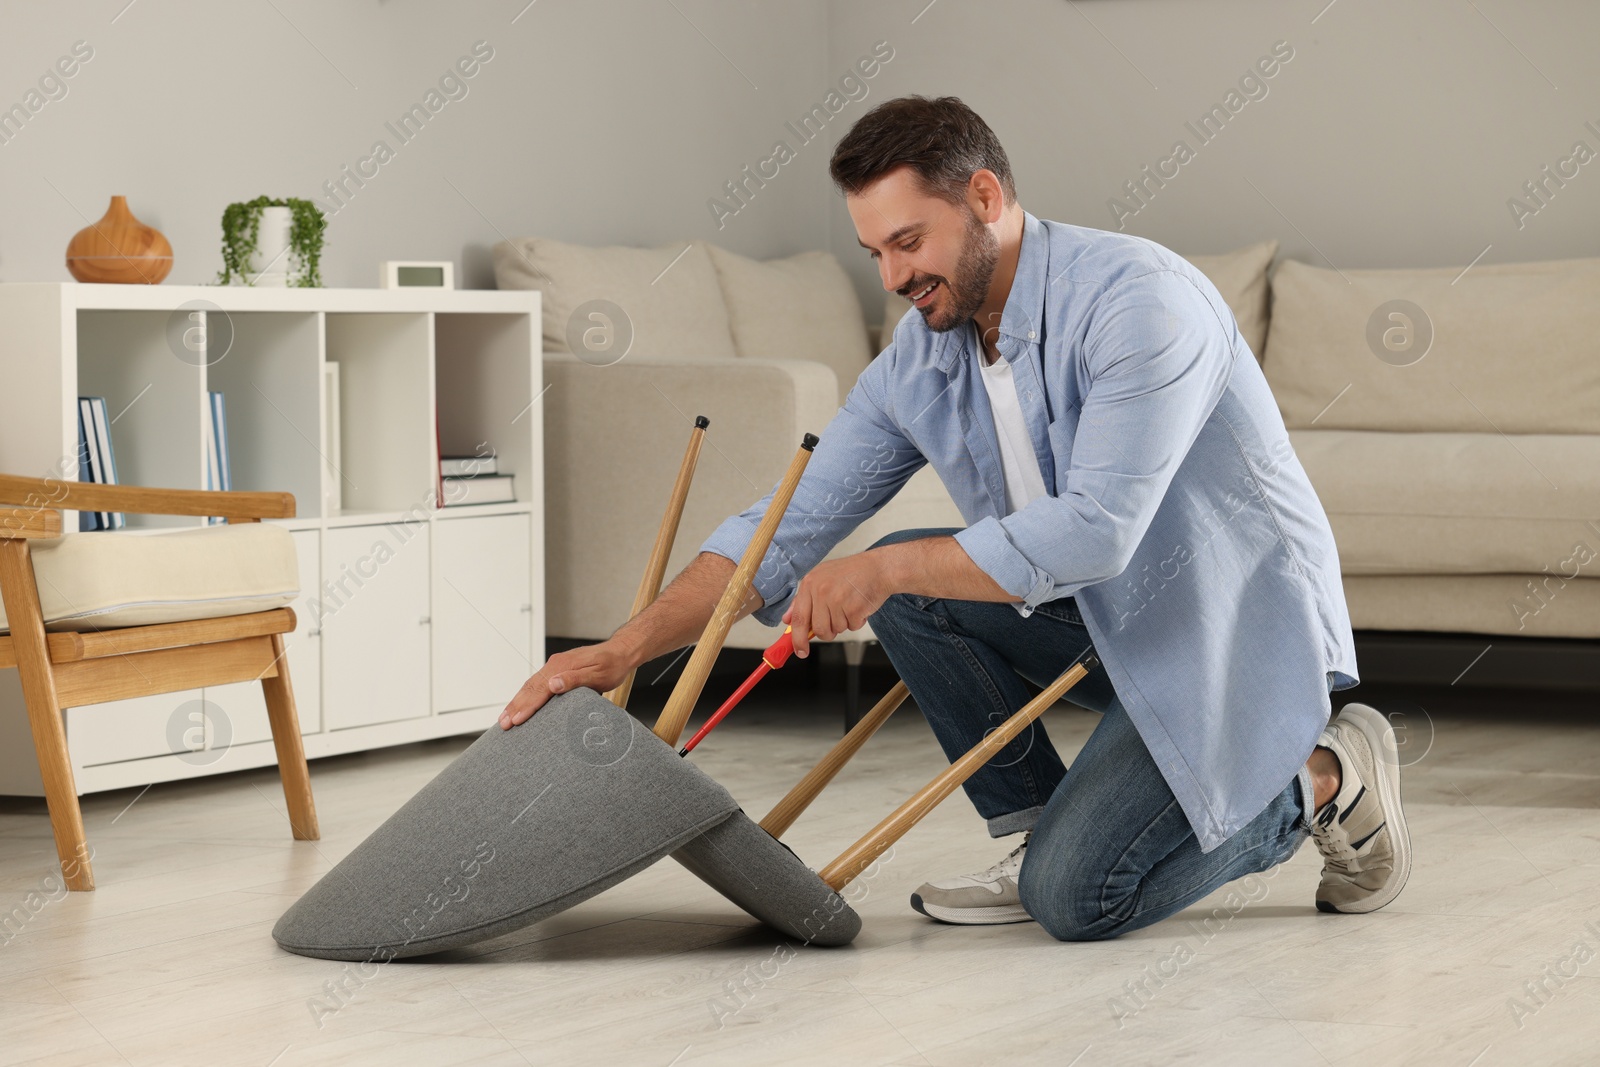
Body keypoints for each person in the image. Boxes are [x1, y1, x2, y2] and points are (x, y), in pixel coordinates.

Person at [500, 95, 1410, 940]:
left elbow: (1098, 531)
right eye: (875, 254)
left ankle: (1320, 775)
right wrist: (626, 649)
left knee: (1080, 897)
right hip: (1094, 621)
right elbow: (780, 530)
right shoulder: (923, 354)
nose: (894, 276)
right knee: (913, 588)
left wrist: (884, 569)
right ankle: (1038, 834)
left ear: (984, 197)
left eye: (909, 241)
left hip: (1221, 635)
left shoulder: (1141, 303)